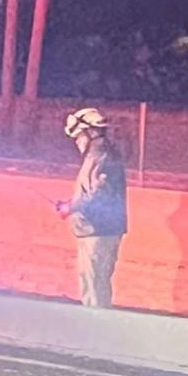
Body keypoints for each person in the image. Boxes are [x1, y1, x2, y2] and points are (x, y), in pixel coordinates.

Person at [56, 108, 128, 308]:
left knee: (93, 286)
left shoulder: (98, 155)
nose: (77, 142)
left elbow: (96, 195)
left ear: (89, 132)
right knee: (99, 284)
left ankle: (96, 330)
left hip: (97, 230)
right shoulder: (105, 153)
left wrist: (69, 207)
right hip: (104, 229)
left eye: (78, 136)